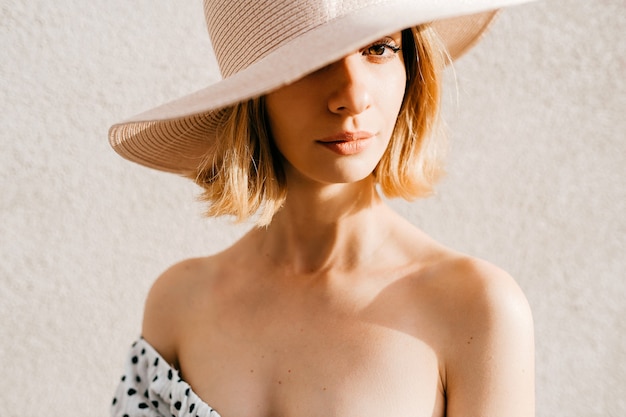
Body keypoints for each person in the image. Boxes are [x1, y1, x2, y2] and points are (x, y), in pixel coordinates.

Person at [109, 0, 536, 416]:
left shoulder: (476, 309)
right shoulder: (179, 304)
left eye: (379, 48)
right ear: (253, 95)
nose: (352, 96)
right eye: (314, 59)